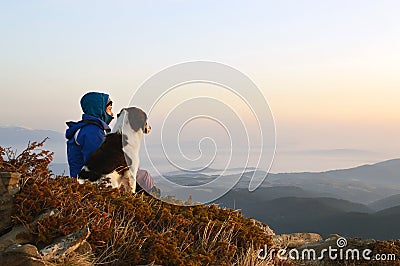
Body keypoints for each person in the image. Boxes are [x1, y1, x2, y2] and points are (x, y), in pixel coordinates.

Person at [65, 92, 158, 196]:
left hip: (85, 181)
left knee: (139, 174)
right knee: (143, 176)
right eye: (109, 109)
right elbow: (101, 163)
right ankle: (149, 203)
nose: (112, 114)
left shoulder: (90, 129)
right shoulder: (93, 132)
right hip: (91, 184)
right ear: (99, 110)